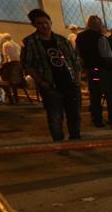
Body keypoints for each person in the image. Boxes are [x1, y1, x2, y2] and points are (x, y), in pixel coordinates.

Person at [20, 9, 81, 146]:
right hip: (50, 85)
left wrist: (76, 78)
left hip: (70, 83)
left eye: (46, 23)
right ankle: (59, 144)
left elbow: (74, 60)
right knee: (55, 117)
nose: (44, 26)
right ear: (34, 25)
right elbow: (27, 64)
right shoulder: (30, 42)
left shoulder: (61, 40)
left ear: (51, 22)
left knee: (74, 115)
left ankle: (76, 140)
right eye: (40, 23)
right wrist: (41, 81)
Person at [75, 15, 112, 128]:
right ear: (98, 24)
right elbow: (107, 56)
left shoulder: (80, 37)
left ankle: (97, 120)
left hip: (91, 70)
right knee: (111, 96)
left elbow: (78, 55)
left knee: (95, 96)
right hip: (103, 70)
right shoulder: (100, 37)